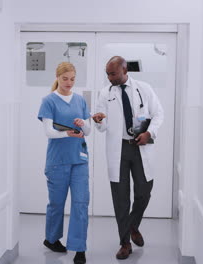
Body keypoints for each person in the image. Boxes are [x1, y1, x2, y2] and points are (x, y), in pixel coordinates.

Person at [92, 56, 164, 260]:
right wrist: (98, 120)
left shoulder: (144, 88)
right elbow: (102, 125)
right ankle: (124, 242)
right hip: (119, 149)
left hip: (140, 146)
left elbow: (158, 114)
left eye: (112, 73)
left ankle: (133, 225)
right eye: (107, 73)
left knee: (144, 191)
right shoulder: (105, 93)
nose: (109, 77)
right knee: (120, 197)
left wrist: (149, 133)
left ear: (124, 70)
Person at [37, 62, 91, 264]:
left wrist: (83, 124)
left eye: (72, 79)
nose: (69, 83)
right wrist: (66, 132)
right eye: (65, 78)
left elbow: (88, 131)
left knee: (80, 204)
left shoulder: (79, 100)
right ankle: (51, 239)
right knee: (57, 204)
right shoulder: (49, 101)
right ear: (57, 77)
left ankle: (79, 248)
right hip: (58, 162)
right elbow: (48, 131)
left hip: (79, 160)